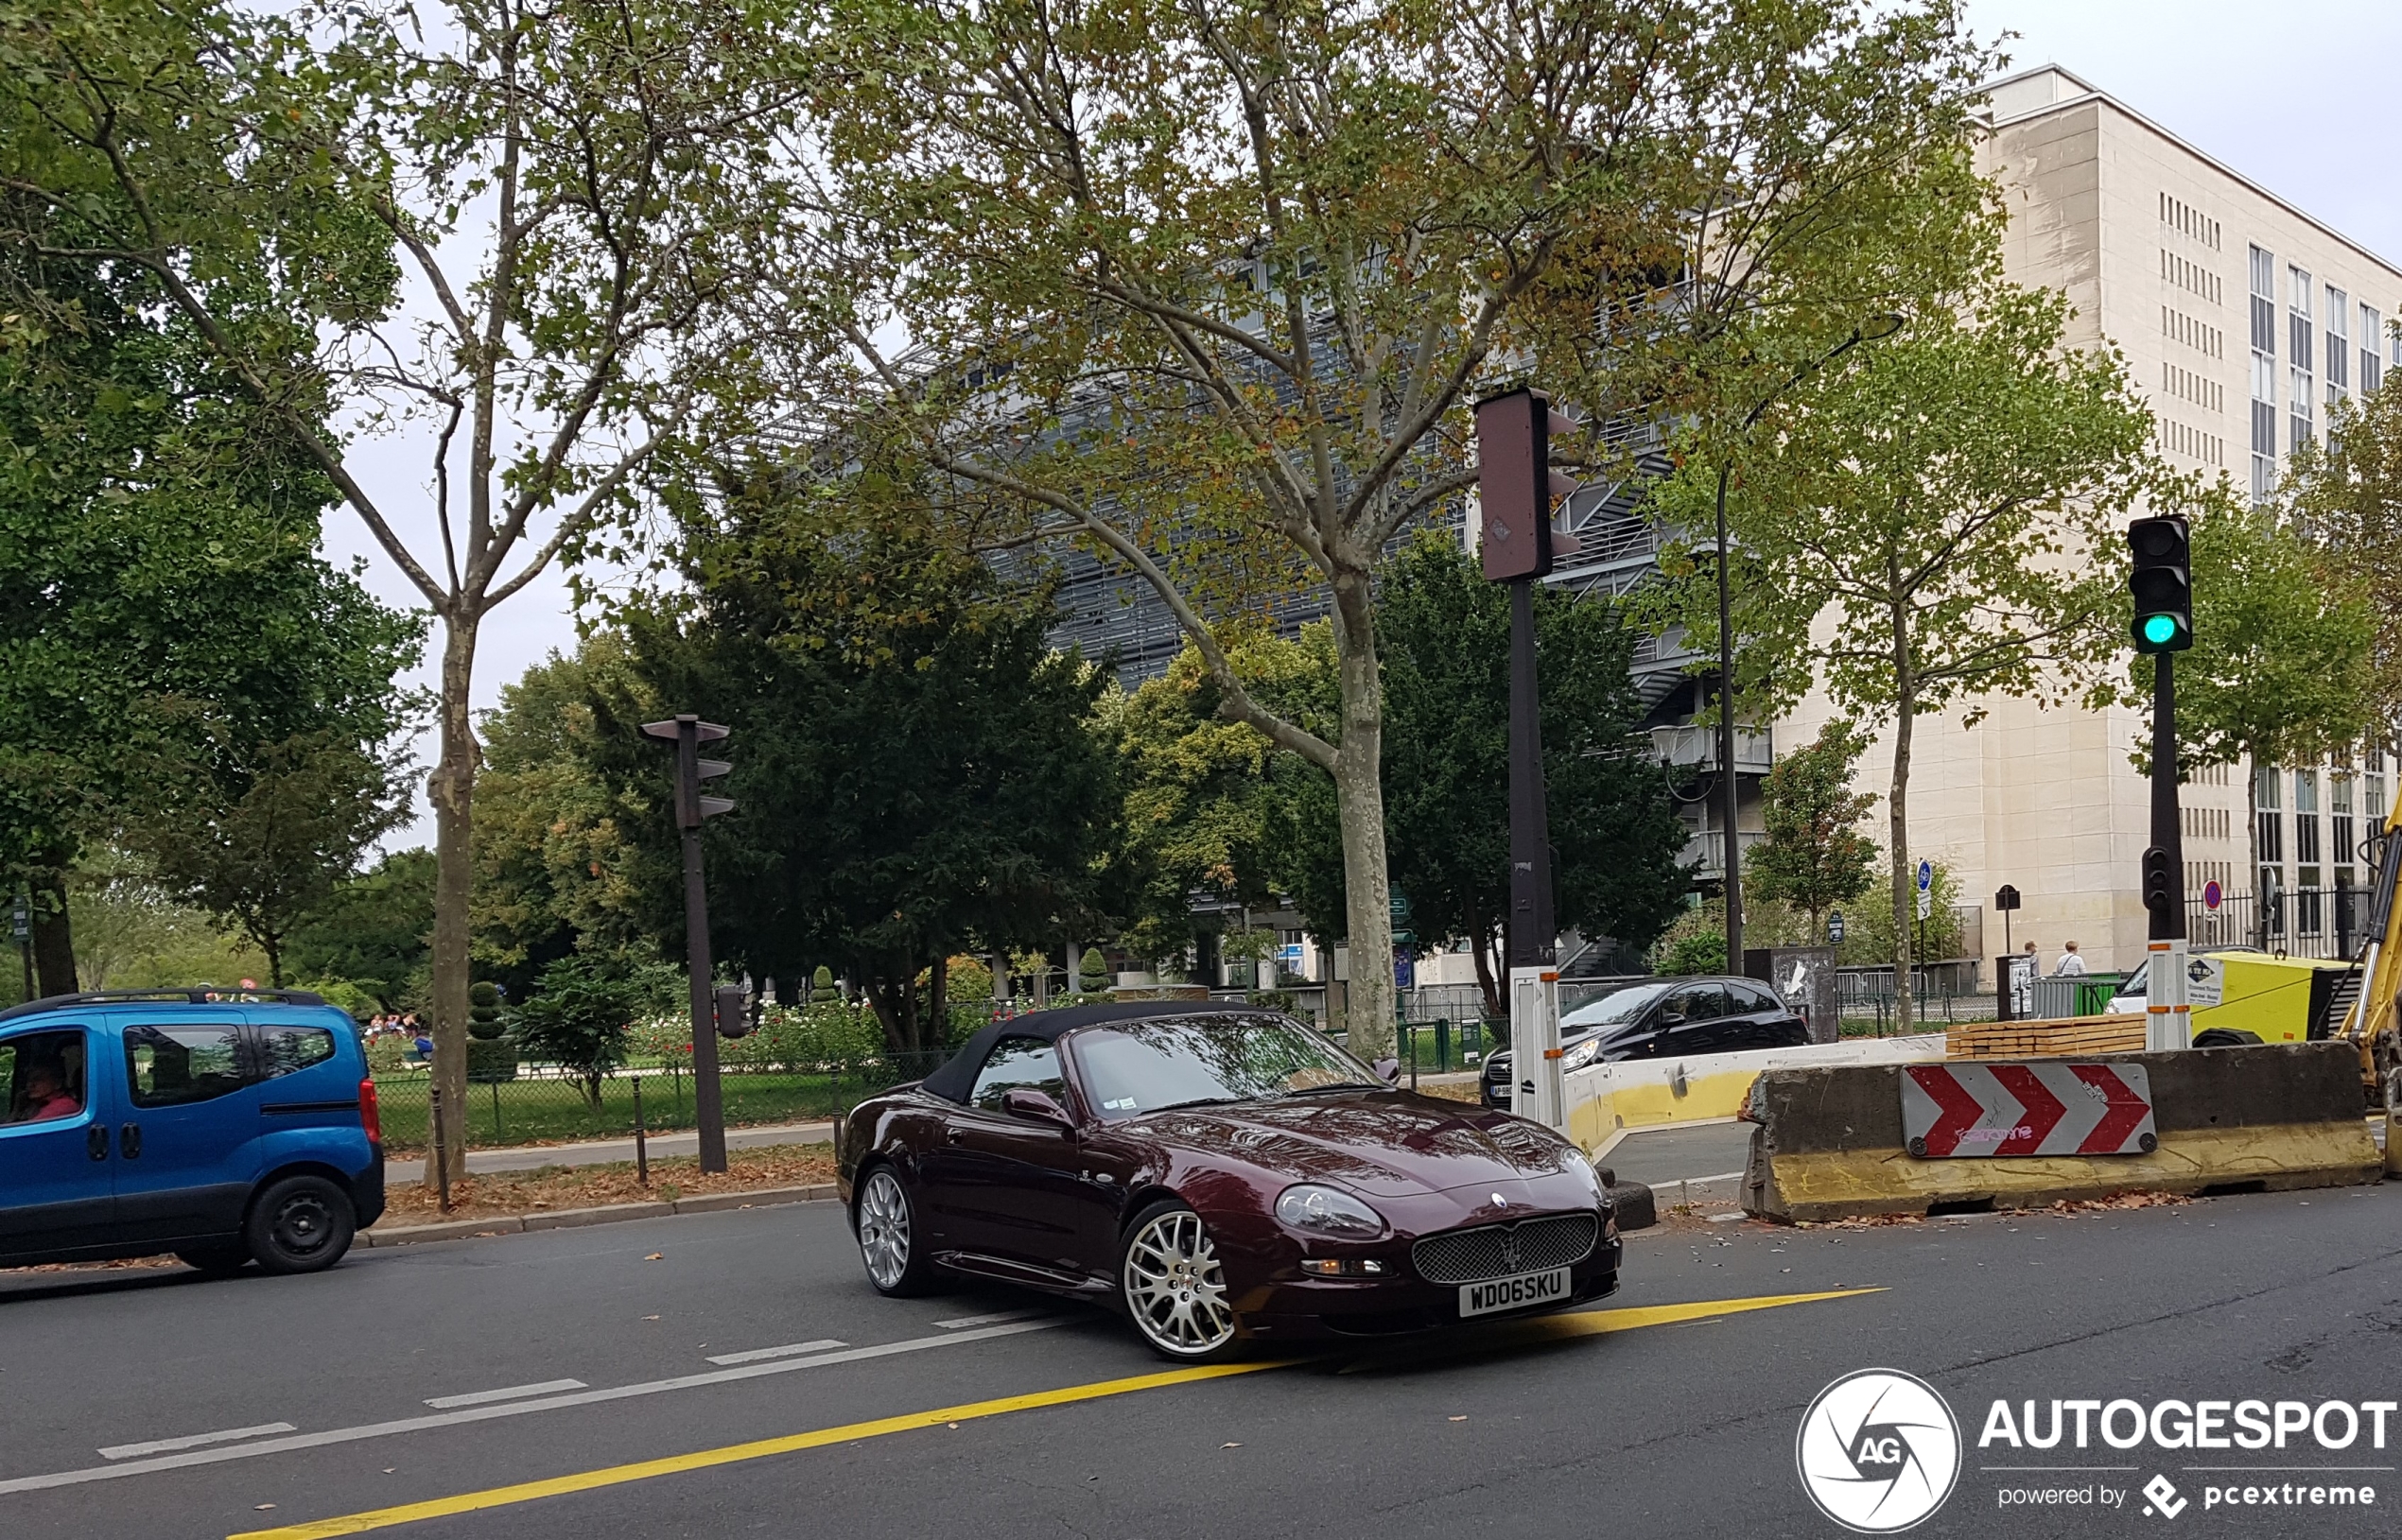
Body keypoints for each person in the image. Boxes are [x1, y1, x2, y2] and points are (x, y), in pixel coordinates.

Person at [12, 1063, 79, 1123]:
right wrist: (16, 1110)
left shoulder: (65, 1104)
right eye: (28, 1080)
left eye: (38, 1079)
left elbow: (30, 1130)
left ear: (57, 1083)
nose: (30, 1085)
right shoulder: (35, 1104)